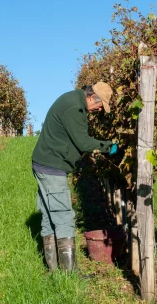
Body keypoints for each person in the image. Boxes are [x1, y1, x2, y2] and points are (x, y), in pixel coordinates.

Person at [31, 82, 118, 273]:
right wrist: (108, 146)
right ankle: (70, 275)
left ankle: (55, 271)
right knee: (64, 217)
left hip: (44, 163)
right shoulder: (74, 108)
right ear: (91, 97)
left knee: (48, 216)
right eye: (99, 105)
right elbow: (83, 142)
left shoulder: (72, 100)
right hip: (52, 166)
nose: (98, 110)